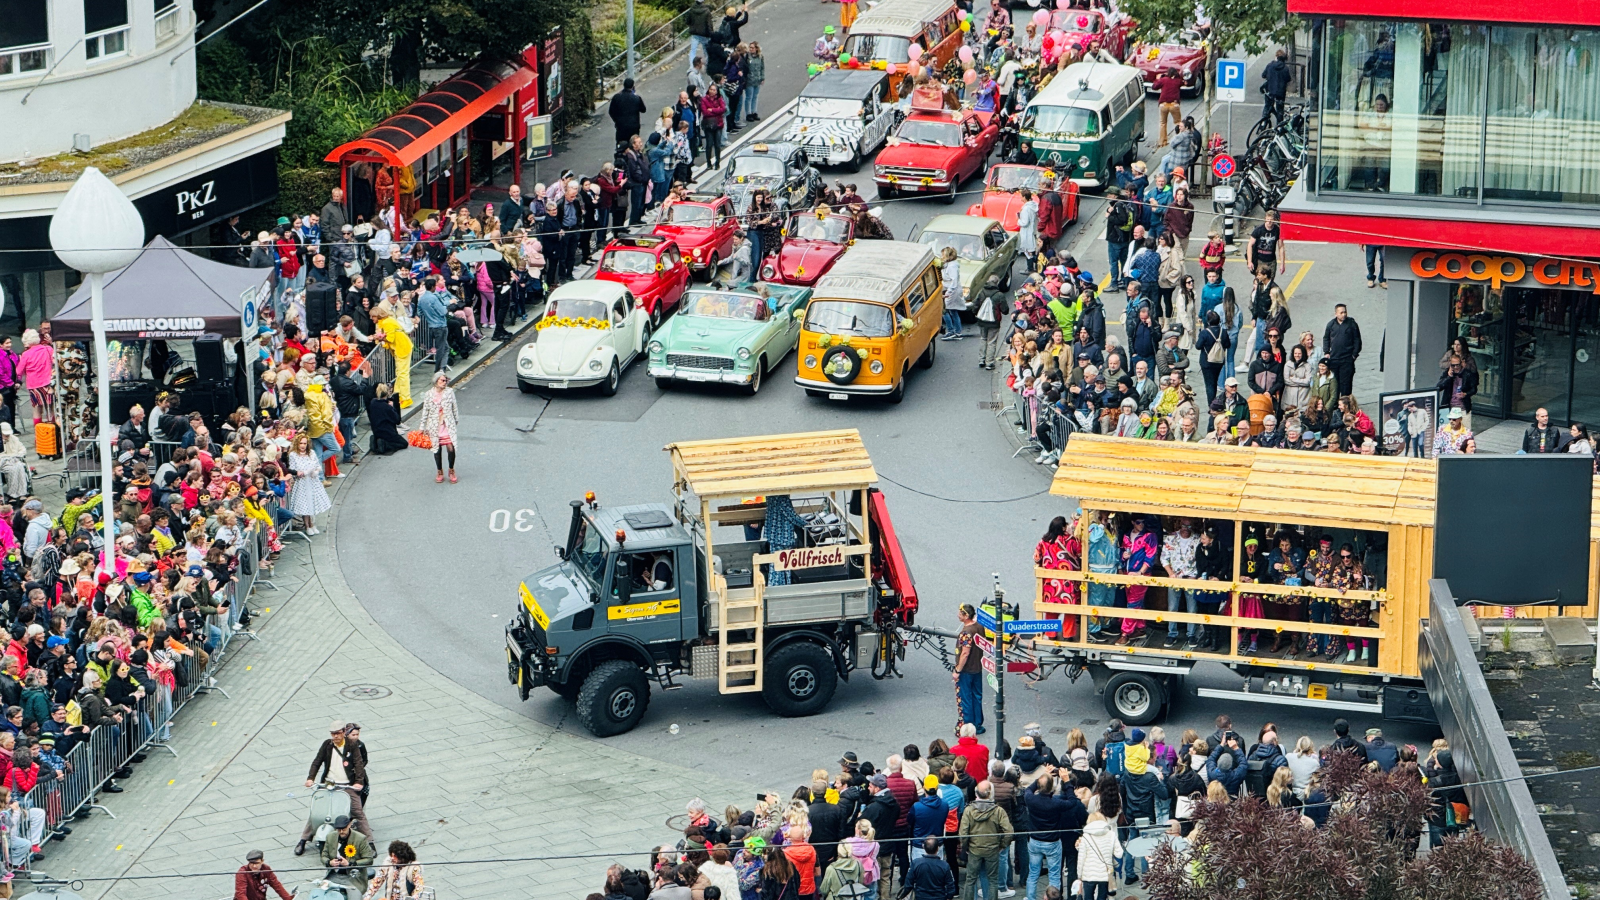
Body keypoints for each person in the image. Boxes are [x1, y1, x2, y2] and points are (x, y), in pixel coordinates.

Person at [297, 720, 371, 853]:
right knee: (316, 811)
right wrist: (310, 778)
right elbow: (317, 762)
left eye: (337, 733)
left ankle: (370, 843)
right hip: (329, 783)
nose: (335, 736)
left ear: (343, 732)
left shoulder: (352, 745)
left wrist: (358, 782)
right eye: (333, 734)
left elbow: (359, 764)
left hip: (346, 785)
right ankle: (303, 839)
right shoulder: (327, 745)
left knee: (358, 812)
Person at [957, 780, 1012, 900]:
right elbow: (1009, 832)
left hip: (974, 850)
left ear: (976, 793)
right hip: (992, 850)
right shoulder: (998, 811)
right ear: (990, 793)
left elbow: (963, 833)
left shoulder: (969, 810)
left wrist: (966, 847)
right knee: (992, 880)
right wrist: (1001, 846)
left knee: (970, 880)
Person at [419, 373, 460, 484]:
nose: (444, 382)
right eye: (442, 380)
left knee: (451, 448)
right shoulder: (429, 394)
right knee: (437, 449)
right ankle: (439, 471)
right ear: (436, 381)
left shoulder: (449, 392)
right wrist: (422, 427)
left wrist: (455, 420)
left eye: (445, 380)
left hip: (447, 424)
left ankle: (451, 470)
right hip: (434, 426)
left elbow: (454, 407)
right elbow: (425, 411)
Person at [321, 814, 375, 895]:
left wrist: (350, 864)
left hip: (354, 878)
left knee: (353, 896)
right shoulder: (330, 837)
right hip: (334, 875)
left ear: (349, 825)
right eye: (339, 830)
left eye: (344, 829)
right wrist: (329, 862)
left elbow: (369, 859)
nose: (341, 832)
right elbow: (323, 856)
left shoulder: (360, 839)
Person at [953, 604, 983, 734]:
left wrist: (957, 671)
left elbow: (965, 653)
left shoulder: (966, 633)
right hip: (977, 668)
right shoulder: (979, 627)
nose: (958, 615)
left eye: (960, 613)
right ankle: (978, 724)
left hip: (966, 671)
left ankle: (967, 727)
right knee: (977, 696)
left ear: (966, 616)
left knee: (965, 698)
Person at [1322, 304, 1362, 398]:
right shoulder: (1331, 324)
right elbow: (1326, 338)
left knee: (1346, 386)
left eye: (1345, 312)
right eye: (1341, 312)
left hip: (1347, 360)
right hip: (1335, 359)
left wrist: (1354, 355)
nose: (1344, 314)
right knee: (1335, 385)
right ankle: (1336, 407)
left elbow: (1357, 340)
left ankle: (1346, 406)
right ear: (1336, 314)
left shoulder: (1351, 324)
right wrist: (1326, 352)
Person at [367, 384, 408, 456]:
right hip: (387, 432)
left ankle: (375, 441)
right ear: (386, 393)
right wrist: (392, 407)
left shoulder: (373, 402)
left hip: (376, 430)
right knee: (404, 444)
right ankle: (385, 444)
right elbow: (397, 420)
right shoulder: (387, 407)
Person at [1246, 209, 1285, 280]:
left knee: (1270, 282)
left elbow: (1281, 247)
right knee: (1259, 281)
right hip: (1260, 260)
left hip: (1271, 260)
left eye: (1271, 220)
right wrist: (1249, 261)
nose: (1269, 222)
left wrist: (1282, 264)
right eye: (1267, 219)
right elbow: (1250, 245)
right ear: (1265, 219)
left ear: (1274, 220)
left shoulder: (1277, 230)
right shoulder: (1258, 230)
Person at [610, 78, 649, 147]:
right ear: (633, 86)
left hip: (621, 126)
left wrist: (616, 120)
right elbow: (643, 109)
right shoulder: (636, 98)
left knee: (621, 143)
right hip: (633, 126)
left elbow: (611, 111)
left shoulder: (616, 97)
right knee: (633, 144)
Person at [1261, 49, 1291, 124]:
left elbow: (1263, 75)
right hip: (1280, 92)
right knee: (1280, 110)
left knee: (1267, 107)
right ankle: (1279, 126)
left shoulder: (1270, 65)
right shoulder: (1285, 68)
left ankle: (1263, 122)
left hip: (1270, 90)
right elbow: (1288, 79)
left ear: (1276, 57)